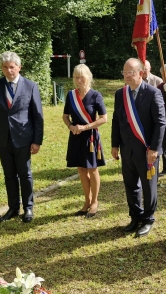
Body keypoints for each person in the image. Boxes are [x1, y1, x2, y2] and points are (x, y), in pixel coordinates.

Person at [0, 51, 44, 223]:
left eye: (12, 67)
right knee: (9, 175)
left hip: (24, 138)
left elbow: (37, 116)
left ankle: (28, 208)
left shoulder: (30, 86)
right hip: (2, 139)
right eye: (5, 67)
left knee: (25, 174)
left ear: (19, 67)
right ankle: (13, 207)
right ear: (1, 69)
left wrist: (37, 141)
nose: (9, 70)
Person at [112, 58, 166, 237]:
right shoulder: (121, 94)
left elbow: (160, 122)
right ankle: (135, 216)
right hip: (127, 149)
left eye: (131, 72)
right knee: (130, 184)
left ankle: (148, 218)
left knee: (148, 185)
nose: (127, 76)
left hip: (147, 150)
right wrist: (114, 144)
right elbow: (116, 120)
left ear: (141, 73)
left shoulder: (152, 93)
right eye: (124, 72)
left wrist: (154, 149)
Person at [62, 64, 107, 218]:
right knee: (81, 169)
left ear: (88, 77)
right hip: (75, 136)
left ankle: (95, 201)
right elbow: (65, 116)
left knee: (92, 169)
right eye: (76, 77)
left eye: (82, 76)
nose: (79, 80)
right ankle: (86, 201)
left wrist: (86, 127)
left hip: (90, 138)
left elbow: (104, 119)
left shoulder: (96, 95)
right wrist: (70, 127)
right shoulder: (71, 95)